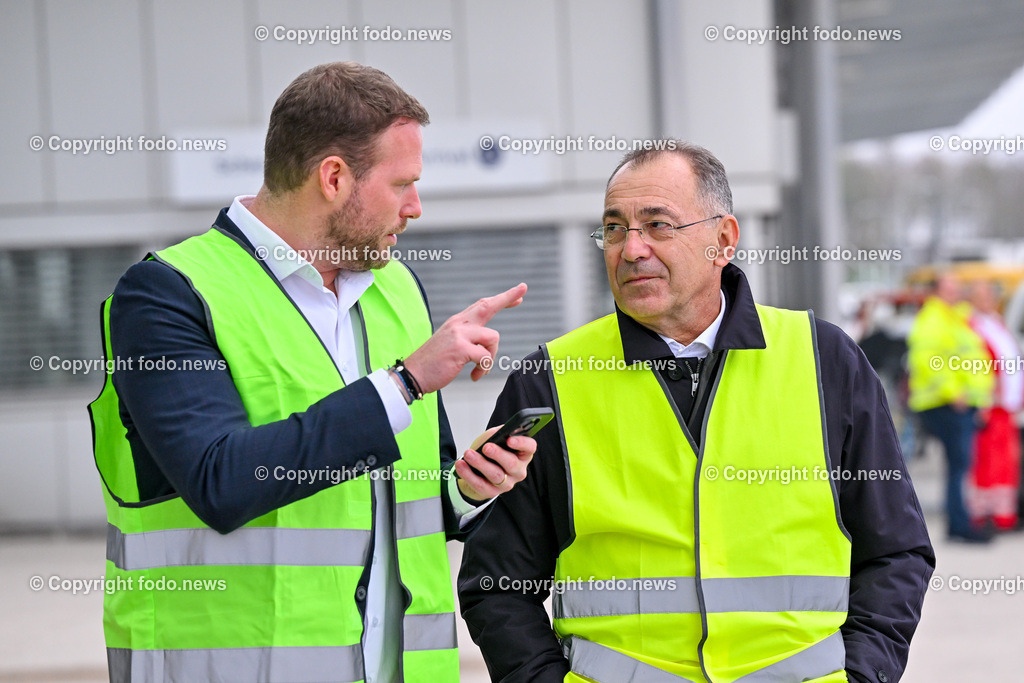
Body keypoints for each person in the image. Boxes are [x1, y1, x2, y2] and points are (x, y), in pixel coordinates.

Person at [89, 61, 537, 682]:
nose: (415, 207)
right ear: (333, 177)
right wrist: (404, 382)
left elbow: (400, 500)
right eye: (402, 185)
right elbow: (220, 481)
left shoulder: (398, 290)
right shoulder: (166, 294)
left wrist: (467, 488)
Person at [459, 143, 935, 683]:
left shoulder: (826, 360)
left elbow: (897, 552)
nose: (631, 249)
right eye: (614, 229)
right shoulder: (548, 380)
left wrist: (863, 676)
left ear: (723, 240)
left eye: (657, 225)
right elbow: (496, 585)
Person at [907, 273, 994, 543]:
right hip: (945, 403)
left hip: (959, 403)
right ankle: (959, 524)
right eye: (950, 288)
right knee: (959, 464)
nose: (956, 293)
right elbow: (927, 361)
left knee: (960, 464)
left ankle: (960, 521)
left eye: (957, 288)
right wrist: (954, 393)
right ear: (936, 292)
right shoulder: (934, 319)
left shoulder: (953, 317)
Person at [967, 280, 1022, 530]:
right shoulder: (972, 327)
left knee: (1005, 462)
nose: (987, 301)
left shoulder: (997, 323)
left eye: (990, 296)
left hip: (1007, 406)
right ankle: (984, 514)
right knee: (986, 462)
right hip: (989, 405)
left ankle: (1003, 515)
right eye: (982, 297)